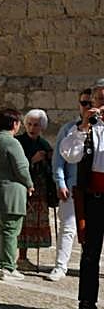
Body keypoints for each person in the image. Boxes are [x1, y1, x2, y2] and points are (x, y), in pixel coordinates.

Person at [58, 78, 104, 309]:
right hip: (94, 199)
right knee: (89, 254)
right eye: (97, 100)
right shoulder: (83, 128)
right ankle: (87, 305)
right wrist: (85, 125)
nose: (99, 105)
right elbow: (70, 154)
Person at [48, 88, 92, 282]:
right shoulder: (68, 129)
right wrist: (60, 182)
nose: (88, 107)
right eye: (84, 103)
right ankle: (60, 266)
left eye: (91, 103)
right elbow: (58, 160)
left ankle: (90, 266)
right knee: (68, 228)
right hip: (73, 186)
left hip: (96, 187)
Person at [0, 109, 32, 281]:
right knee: (11, 230)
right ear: (15, 124)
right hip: (12, 192)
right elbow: (21, 168)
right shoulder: (12, 142)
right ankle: (8, 266)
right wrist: (29, 183)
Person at [16, 109, 55, 271]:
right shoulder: (19, 142)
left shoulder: (44, 144)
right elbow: (16, 165)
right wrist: (32, 160)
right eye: (29, 124)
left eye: (36, 125)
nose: (32, 128)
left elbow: (51, 167)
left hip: (40, 190)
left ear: (42, 127)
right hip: (23, 188)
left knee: (34, 223)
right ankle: (19, 257)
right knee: (21, 223)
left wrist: (49, 159)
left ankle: (24, 257)